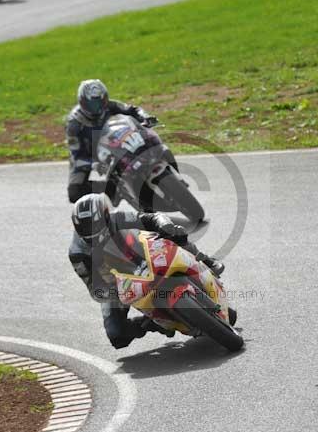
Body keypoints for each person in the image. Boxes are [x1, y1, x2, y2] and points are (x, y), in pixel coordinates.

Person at [69, 193, 227, 350]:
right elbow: (94, 287)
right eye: (87, 231)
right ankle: (150, 323)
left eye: (96, 227)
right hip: (117, 281)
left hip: (141, 255)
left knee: (173, 233)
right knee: (117, 335)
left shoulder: (117, 218)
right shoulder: (77, 254)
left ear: (105, 215)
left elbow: (151, 218)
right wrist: (114, 291)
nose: (94, 235)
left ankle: (205, 260)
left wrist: (164, 224)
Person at [66, 79, 169, 204]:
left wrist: (145, 117)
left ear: (105, 99)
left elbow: (133, 110)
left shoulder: (111, 105)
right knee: (74, 192)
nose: (97, 108)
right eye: (92, 105)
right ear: (82, 102)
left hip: (115, 142)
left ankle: (162, 167)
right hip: (90, 155)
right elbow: (76, 157)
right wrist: (94, 165)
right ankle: (113, 188)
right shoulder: (74, 124)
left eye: (100, 102)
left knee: (144, 142)